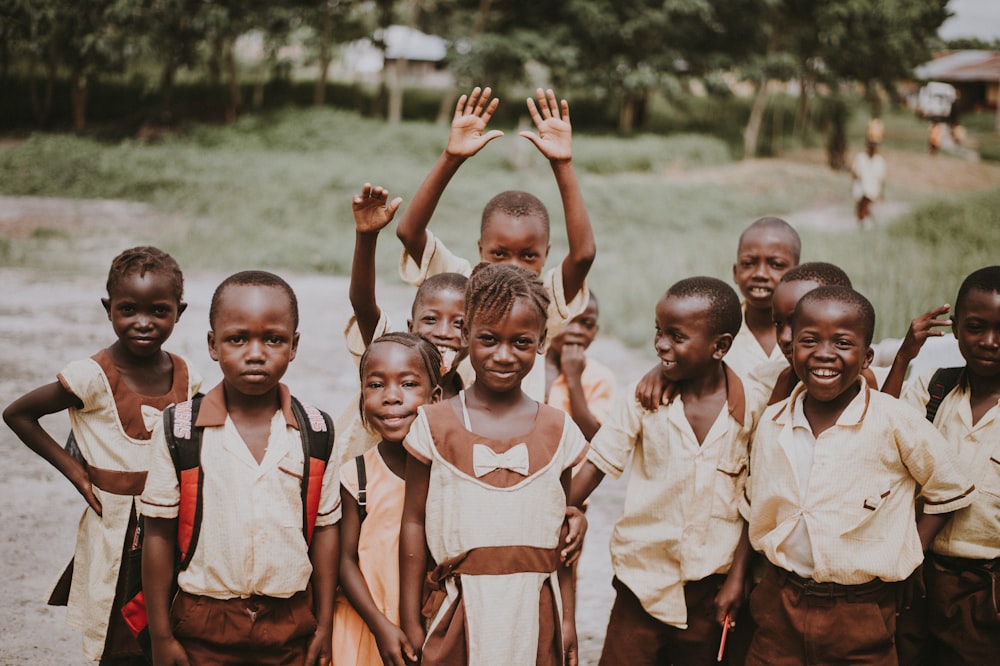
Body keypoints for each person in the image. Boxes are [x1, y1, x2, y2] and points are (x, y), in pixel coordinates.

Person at [741, 286, 975, 666]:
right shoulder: (774, 421)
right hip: (780, 599)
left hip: (861, 610)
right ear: (792, 348)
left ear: (867, 357)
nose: (824, 353)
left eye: (843, 343)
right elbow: (758, 501)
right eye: (809, 340)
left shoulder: (893, 419)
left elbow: (949, 488)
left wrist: (909, 553)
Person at [3, 246, 201, 665]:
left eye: (159, 311)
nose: (143, 322)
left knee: (172, 620)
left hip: (171, 522)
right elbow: (18, 414)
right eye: (128, 309)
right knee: (119, 629)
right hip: (119, 529)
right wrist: (76, 471)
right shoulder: (91, 375)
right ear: (108, 308)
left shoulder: (186, 376)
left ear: (179, 312)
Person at [139, 271, 340, 665]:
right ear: (213, 345)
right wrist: (161, 634)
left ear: (294, 346)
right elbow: (158, 534)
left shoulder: (315, 430)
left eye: (273, 339)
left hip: (290, 624)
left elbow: (326, 532)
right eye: (237, 339)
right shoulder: (180, 429)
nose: (255, 352)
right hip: (202, 622)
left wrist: (325, 625)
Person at [399, 263, 588, 665]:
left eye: (521, 342)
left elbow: (564, 532)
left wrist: (568, 619)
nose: (504, 355)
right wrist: (409, 617)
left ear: (541, 341)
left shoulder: (558, 429)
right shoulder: (435, 424)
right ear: (466, 335)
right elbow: (412, 522)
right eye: (488, 339)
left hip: (535, 613)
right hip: (459, 612)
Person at [570, 277, 754, 665]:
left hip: (713, 592)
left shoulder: (752, 412)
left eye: (676, 336)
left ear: (720, 346)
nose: (661, 345)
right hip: (641, 585)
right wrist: (551, 511)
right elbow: (596, 465)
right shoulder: (643, 400)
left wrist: (738, 579)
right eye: (658, 331)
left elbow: (756, 505)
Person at [394, 86, 597, 401]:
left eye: (528, 256)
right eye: (499, 254)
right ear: (480, 250)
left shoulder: (540, 302)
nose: (513, 267)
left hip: (516, 438)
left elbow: (583, 256)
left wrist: (563, 164)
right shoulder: (462, 282)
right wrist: (452, 157)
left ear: (547, 255)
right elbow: (409, 232)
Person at [892, 266, 1000, 664]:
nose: (990, 342)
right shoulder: (934, 388)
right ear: (955, 328)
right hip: (919, 576)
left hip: (986, 588)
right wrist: (904, 356)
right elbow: (881, 431)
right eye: (976, 327)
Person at [335, 183, 470, 465]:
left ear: (473, 336)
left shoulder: (470, 392)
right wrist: (367, 236)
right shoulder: (391, 356)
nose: (443, 333)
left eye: (458, 324)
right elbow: (362, 302)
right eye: (430, 320)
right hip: (360, 497)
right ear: (411, 327)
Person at [332, 332, 444, 666]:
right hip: (365, 626)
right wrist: (381, 626)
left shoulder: (450, 476)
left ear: (435, 398)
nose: (391, 397)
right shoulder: (356, 477)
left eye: (408, 385)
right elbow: (344, 561)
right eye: (376, 385)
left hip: (432, 627)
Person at [634, 217, 799, 410]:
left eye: (776, 264)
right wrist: (663, 370)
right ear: (735, 272)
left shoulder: (811, 331)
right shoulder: (712, 327)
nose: (760, 273)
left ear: (796, 273)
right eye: (748, 263)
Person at [748, 261, 856, 409]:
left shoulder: (879, 385)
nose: (784, 338)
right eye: (778, 323)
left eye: (796, 322)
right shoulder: (763, 381)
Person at [544, 291, 615, 441]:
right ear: (550, 323)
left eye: (587, 324)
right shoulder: (531, 364)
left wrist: (573, 378)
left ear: (595, 332)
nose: (577, 331)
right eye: (568, 321)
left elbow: (594, 435)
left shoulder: (601, 377)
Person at [851, 138, 886, 227]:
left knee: (867, 206)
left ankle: (865, 222)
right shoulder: (861, 157)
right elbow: (854, 173)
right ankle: (863, 222)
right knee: (862, 206)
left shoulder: (879, 160)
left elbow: (882, 178)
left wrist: (882, 193)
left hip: (872, 188)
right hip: (861, 186)